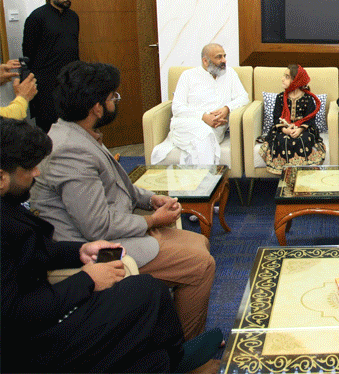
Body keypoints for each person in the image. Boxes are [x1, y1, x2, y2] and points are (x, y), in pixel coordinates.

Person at [1, 117, 224, 373]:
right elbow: (13, 313)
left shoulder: (8, 205)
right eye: (29, 168)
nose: (37, 173)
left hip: (45, 316)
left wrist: (79, 251)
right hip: (32, 344)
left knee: (149, 297)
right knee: (148, 295)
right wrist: (87, 280)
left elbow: (36, 251)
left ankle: (174, 359)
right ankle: (178, 361)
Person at [29, 61, 216, 340]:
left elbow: (118, 184)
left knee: (200, 243)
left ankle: (167, 330)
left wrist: (151, 199)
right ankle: (184, 350)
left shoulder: (79, 133)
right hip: (93, 247)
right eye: (112, 97)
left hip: (116, 228)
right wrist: (152, 221)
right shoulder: (70, 151)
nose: (115, 102)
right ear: (96, 107)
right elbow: (96, 227)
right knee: (201, 265)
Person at [151, 43, 249, 165]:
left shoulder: (230, 74)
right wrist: (203, 116)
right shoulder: (188, 76)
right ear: (205, 61)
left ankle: (199, 176)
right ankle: (207, 175)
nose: (224, 60)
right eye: (219, 57)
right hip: (187, 124)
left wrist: (227, 108)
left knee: (205, 135)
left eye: (224, 56)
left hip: (215, 127)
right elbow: (177, 107)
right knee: (203, 134)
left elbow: (244, 97)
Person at [22, 0, 80, 132]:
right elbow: (28, 50)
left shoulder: (73, 17)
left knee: (71, 118)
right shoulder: (37, 17)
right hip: (45, 79)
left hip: (69, 77)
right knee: (47, 119)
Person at [258, 64, 326, 174]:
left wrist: (299, 130)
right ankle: (286, 174)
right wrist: (285, 130)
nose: (282, 79)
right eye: (284, 76)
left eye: (287, 77)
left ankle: (302, 173)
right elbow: (276, 118)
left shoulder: (307, 98)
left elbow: (310, 119)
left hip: (303, 129)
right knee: (282, 140)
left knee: (303, 140)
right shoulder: (280, 97)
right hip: (283, 129)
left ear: (296, 81)